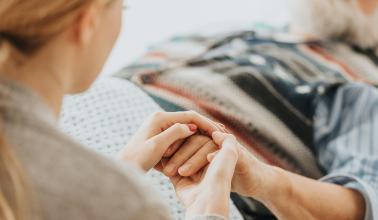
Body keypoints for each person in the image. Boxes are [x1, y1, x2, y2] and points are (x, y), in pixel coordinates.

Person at [0, 0, 236, 219]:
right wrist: (207, 209)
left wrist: (122, 169)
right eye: (122, 6)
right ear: (87, 22)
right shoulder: (127, 204)